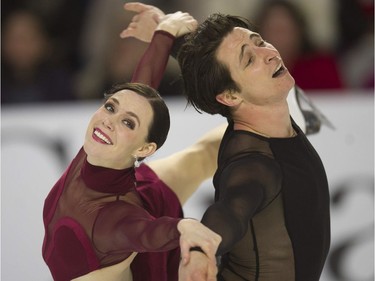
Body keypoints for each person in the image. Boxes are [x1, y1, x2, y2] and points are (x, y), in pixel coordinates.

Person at [42, 11, 222, 281]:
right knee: (205, 153)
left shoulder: (113, 218)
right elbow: (138, 91)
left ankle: (279, 115)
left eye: (128, 123)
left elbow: (144, 232)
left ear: (144, 149)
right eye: (110, 107)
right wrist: (164, 33)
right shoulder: (99, 149)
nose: (108, 122)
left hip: (144, 222)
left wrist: (183, 228)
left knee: (207, 152)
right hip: (142, 229)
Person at [173, 12, 331, 281]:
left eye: (259, 41)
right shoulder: (253, 164)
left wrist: (168, 37)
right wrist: (201, 249)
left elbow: (208, 67)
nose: (268, 53)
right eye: (249, 58)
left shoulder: (271, 106)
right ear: (230, 96)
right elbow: (230, 211)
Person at [253, 0, 344, 91]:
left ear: (299, 32)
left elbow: (342, 101)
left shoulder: (322, 67)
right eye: (274, 31)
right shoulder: (249, 71)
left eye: (284, 30)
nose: (280, 38)